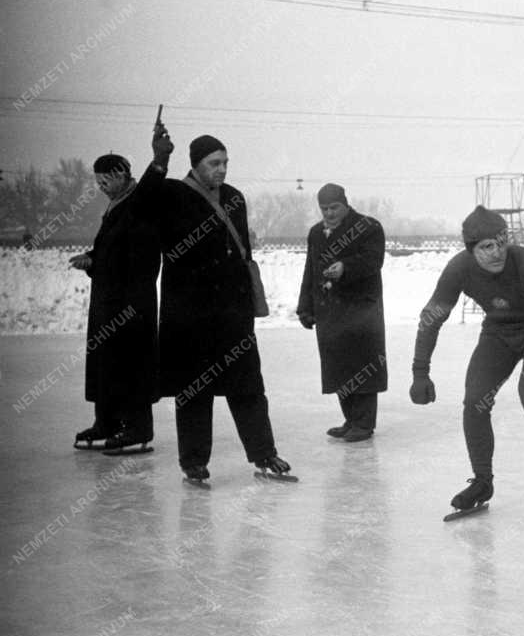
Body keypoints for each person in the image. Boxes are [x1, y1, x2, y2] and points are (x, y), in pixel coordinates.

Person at [410, 206, 524, 524]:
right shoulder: (459, 269)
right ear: (471, 249)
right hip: (499, 333)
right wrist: (420, 373)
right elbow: (431, 318)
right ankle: (482, 481)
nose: (497, 252)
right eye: (486, 247)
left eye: (501, 242)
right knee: (475, 400)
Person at [140, 124, 292, 482]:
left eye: (225, 162)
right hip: (190, 314)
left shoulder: (234, 197)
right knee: (195, 390)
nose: (222, 169)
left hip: (232, 312)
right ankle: (193, 462)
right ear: (195, 164)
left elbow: (244, 252)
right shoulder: (172, 193)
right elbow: (141, 206)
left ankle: (264, 454)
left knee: (248, 386)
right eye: (214, 163)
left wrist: (247, 303)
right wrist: (159, 161)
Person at [69, 154, 160, 454]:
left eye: (105, 180)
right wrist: (91, 259)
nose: (101, 187)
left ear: (122, 175)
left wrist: (160, 157)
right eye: (98, 182)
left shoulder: (140, 201)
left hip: (133, 302)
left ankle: (138, 427)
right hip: (108, 299)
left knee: (132, 363)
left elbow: (151, 182)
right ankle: (107, 422)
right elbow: (111, 249)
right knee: (105, 362)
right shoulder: (114, 207)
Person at [297, 183, 387, 443]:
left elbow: (374, 260)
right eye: (324, 208)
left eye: (334, 207)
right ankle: (351, 420)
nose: (329, 213)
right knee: (338, 366)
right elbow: (310, 270)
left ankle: (364, 424)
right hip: (329, 311)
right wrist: (305, 306)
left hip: (361, 310)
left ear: (345, 204)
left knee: (362, 365)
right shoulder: (316, 233)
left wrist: (345, 267)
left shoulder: (368, 227)